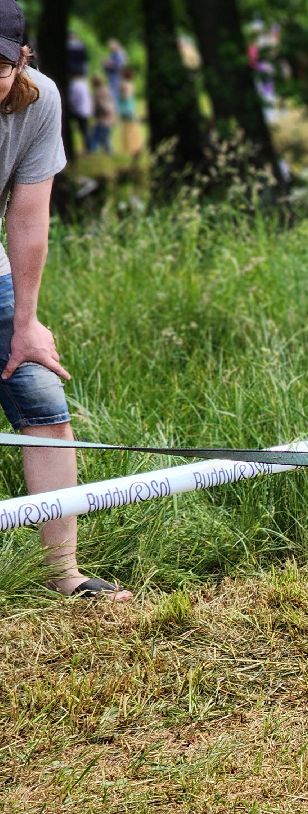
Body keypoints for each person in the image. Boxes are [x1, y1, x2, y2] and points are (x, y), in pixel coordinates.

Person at [0, 2, 131, 599]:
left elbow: (28, 219)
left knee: (42, 398)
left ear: (21, 59)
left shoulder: (40, 100)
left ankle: (63, 577)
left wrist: (25, 322)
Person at [88, 73, 115, 154]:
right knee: (104, 136)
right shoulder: (106, 90)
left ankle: (94, 150)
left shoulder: (98, 93)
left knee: (97, 136)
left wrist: (94, 110)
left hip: (102, 118)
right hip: (108, 118)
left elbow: (100, 105)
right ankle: (107, 150)